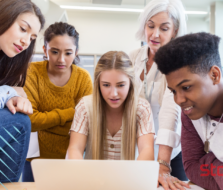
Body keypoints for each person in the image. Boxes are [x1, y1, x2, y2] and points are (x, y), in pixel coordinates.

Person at [154, 32, 223, 190]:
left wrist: (208, 161)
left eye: (186, 87)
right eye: (173, 91)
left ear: (214, 75)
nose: (179, 100)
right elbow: (191, 169)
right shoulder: (192, 108)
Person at [129, 0, 189, 189]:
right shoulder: (132, 58)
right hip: (138, 150)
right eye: (150, 26)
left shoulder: (179, 63)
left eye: (164, 28)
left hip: (170, 153)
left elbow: (170, 113)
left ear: (175, 30)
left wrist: (163, 165)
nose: (155, 34)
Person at [22, 22, 93, 182]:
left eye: (68, 53)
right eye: (54, 51)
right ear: (45, 49)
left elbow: (86, 123)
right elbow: (30, 122)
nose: (61, 59)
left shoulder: (83, 78)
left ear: (76, 53)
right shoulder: (31, 72)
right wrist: (70, 113)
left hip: (72, 158)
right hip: (34, 161)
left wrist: (45, 123)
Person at [67, 51, 155, 161]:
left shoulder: (142, 108)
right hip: (90, 177)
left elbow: (147, 149)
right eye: (106, 85)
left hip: (129, 177)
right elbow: (75, 149)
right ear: (98, 83)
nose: (113, 93)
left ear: (130, 83)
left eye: (121, 85)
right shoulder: (85, 107)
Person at [0, 0, 45, 183]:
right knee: (19, 122)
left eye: (32, 37)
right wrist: (9, 93)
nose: (26, 42)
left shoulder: (8, 62)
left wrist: (10, 94)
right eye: (23, 29)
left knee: (20, 119)